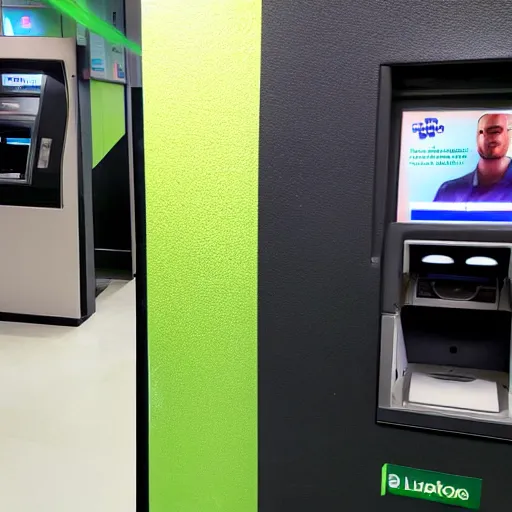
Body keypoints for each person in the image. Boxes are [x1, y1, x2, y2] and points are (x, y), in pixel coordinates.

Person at [434, 113, 512, 202]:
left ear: (509, 134)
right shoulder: (448, 191)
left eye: (495, 131)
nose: (489, 137)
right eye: (481, 132)